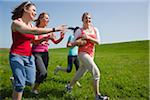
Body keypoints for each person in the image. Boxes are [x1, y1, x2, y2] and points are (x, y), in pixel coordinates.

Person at [9, 1, 66, 100]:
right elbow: (33, 32)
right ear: (25, 9)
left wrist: (47, 38)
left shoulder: (31, 25)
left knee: (30, 81)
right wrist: (54, 29)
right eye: (34, 10)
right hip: (17, 55)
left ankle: (17, 80)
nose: (35, 13)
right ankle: (18, 83)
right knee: (20, 86)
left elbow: (34, 40)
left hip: (29, 56)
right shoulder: (16, 23)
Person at [65, 12, 109, 100]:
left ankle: (69, 86)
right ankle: (97, 96)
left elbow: (98, 42)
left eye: (89, 18)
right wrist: (77, 42)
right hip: (82, 53)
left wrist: (88, 37)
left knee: (80, 73)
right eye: (86, 18)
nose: (88, 20)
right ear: (82, 20)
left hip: (91, 54)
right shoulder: (79, 31)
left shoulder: (95, 29)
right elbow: (71, 43)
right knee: (96, 73)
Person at [31, 12, 65, 94]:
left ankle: (21, 80)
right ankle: (33, 89)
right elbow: (34, 42)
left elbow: (55, 42)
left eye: (48, 19)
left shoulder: (49, 31)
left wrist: (61, 37)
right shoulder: (35, 29)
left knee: (41, 74)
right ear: (40, 19)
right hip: (36, 52)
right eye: (46, 18)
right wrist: (44, 38)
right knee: (43, 73)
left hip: (45, 53)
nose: (47, 20)